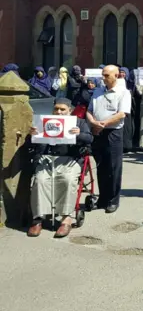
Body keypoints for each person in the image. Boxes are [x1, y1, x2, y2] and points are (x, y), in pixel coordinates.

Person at [26, 98, 93, 238]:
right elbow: (30, 144)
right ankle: (38, 218)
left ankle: (66, 218)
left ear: (70, 110)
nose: (59, 112)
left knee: (67, 179)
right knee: (41, 180)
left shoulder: (79, 122)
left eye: (63, 109)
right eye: (56, 109)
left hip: (70, 159)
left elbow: (89, 139)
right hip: (47, 158)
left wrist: (78, 134)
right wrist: (31, 135)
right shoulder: (44, 121)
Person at [86, 65, 132, 213]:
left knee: (113, 168)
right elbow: (89, 110)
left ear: (116, 76)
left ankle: (113, 200)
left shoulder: (123, 92)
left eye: (106, 75)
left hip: (113, 133)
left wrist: (104, 123)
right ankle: (103, 199)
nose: (103, 78)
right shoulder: (98, 91)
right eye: (103, 75)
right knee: (101, 166)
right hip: (97, 132)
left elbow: (122, 114)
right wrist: (93, 122)